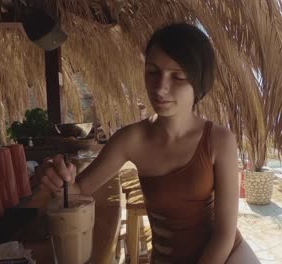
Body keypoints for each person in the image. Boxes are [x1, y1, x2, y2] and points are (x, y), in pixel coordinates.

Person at [40, 23, 260, 264]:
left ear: (199, 83)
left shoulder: (219, 141)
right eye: (153, 71)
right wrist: (60, 180)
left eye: (177, 76)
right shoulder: (131, 139)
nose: (160, 87)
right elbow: (78, 191)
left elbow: (224, 234)